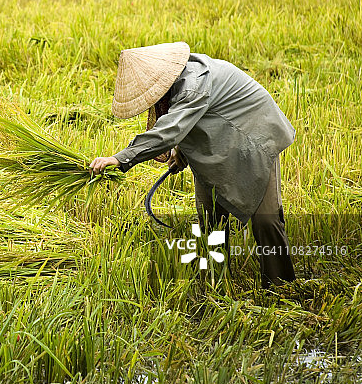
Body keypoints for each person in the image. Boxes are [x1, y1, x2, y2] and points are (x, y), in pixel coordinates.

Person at [89, 42, 297, 287]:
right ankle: (215, 280)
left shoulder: (194, 84)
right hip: (217, 141)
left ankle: (281, 285)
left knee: (265, 218)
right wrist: (182, 153)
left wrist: (120, 158)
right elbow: (193, 120)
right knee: (209, 216)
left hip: (255, 137)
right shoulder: (177, 87)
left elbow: (170, 130)